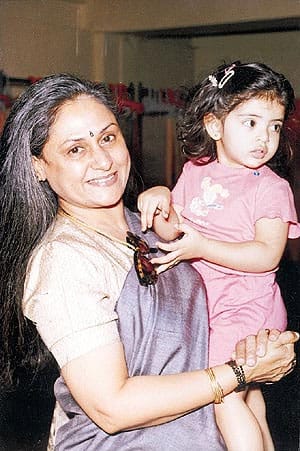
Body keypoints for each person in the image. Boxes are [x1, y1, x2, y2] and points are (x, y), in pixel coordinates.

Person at [0, 73, 297, 451]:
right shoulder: (65, 260)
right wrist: (239, 373)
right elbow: (113, 407)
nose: (103, 160)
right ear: (38, 166)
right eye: (76, 149)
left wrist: (259, 356)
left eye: (107, 137)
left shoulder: (153, 226)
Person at [138, 61, 300, 451]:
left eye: (274, 126)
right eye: (251, 122)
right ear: (214, 126)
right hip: (211, 305)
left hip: (248, 305)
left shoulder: (272, 188)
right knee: (249, 399)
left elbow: (267, 255)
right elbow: (175, 232)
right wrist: (159, 200)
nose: (265, 137)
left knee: (224, 396)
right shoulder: (196, 169)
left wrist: (202, 248)